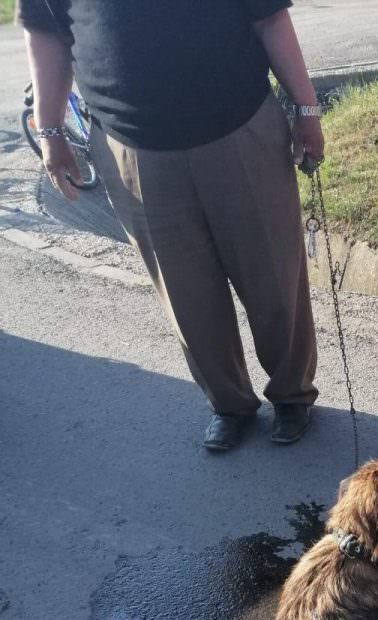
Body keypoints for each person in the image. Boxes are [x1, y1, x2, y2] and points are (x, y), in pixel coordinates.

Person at [17, 0, 323, 453]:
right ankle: (229, 404)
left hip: (240, 125)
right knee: (185, 291)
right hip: (131, 146)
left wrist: (307, 109)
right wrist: (50, 131)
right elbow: (46, 32)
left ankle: (292, 393)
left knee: (274, 275)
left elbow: (270, 16)